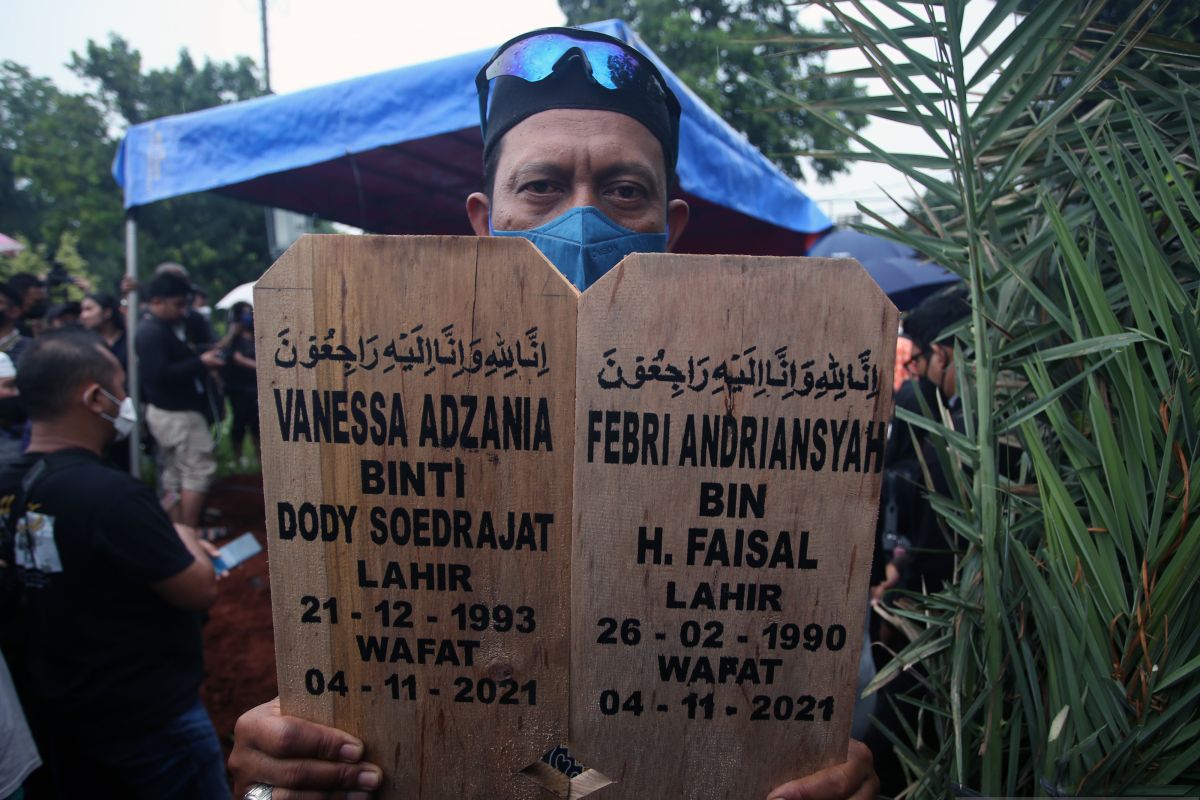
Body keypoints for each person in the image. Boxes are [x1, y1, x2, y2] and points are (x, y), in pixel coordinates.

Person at [228, 26, 879, 800]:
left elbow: (821, 679)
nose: (581, 219)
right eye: (541, 187)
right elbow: (361, 695)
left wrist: (842, 772)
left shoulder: (771, 408)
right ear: (484, 220)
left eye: (622, 191)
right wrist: (283, 778)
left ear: (669, 228)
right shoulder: (382, 405)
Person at [0, 329, 226, 798]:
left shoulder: (16, 485)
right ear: (92, 397)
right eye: (120, 387)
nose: (124, 401)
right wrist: (184, 535)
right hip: (149, 718)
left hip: (62, 715)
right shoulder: (111, 496)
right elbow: (198, 589)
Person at [136, 272, 225, 529]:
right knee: (197, 471)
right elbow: (159, 375)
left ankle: (178, 533)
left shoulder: (160, 328)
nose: (183, 311)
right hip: (177, 415)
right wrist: (200, 362)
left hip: (171, 414)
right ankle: (190, 532)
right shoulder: (150, 333)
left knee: (174, 474)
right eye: (177, 305)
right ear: (156, 301)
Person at [221, 302, 259, 464]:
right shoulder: (233, 339)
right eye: (243, 314)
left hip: (255, 388)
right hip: (238, 389)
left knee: (257, 425)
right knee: (239, 423)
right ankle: (237, 458)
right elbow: (233, 357)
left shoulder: (258, 335)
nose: (247, 317)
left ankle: (259, 459)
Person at [79, 292, 128, 374]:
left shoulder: (128, 341)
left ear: (106, 312)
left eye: (89, 309)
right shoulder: (85, 344)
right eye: (82, 310)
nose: (83, 315)